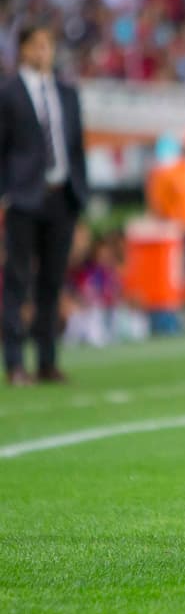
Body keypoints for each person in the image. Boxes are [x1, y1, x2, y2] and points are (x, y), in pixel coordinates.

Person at [0, 23, 89, 385]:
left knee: (52, 282)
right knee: (17, 280)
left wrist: (79, 197)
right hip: (24, 198)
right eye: (37, 45)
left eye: (48, 45)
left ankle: (48, 360)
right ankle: (15, 362)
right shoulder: (8, 94)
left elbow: (77, 149)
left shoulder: (67, 93)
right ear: (22, 49)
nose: (43, 52)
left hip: (61, 197)